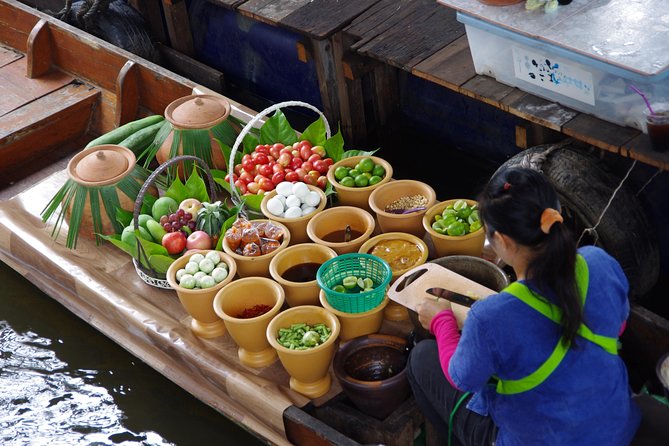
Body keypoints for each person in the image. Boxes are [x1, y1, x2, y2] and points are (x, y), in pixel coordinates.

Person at [407, 167, 640, 446]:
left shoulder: (490, 317)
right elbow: (619, 323)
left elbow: (462, 378)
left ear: (502, 242)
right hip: (614, 428)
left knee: (420, 359)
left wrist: (441, 320)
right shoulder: (598, 262)